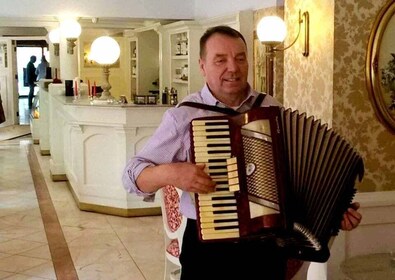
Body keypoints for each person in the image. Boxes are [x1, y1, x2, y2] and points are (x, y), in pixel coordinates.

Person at [122, 25, 362, 279]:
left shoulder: (270, 107)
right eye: (220, 60)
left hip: (267, 248)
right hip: (209, 250)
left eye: (240, 58)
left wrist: (334, 212)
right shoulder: (184, 116)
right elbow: (131, 176)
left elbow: (292, 176)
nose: (233, 68)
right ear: (202, 66)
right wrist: (172, 173)